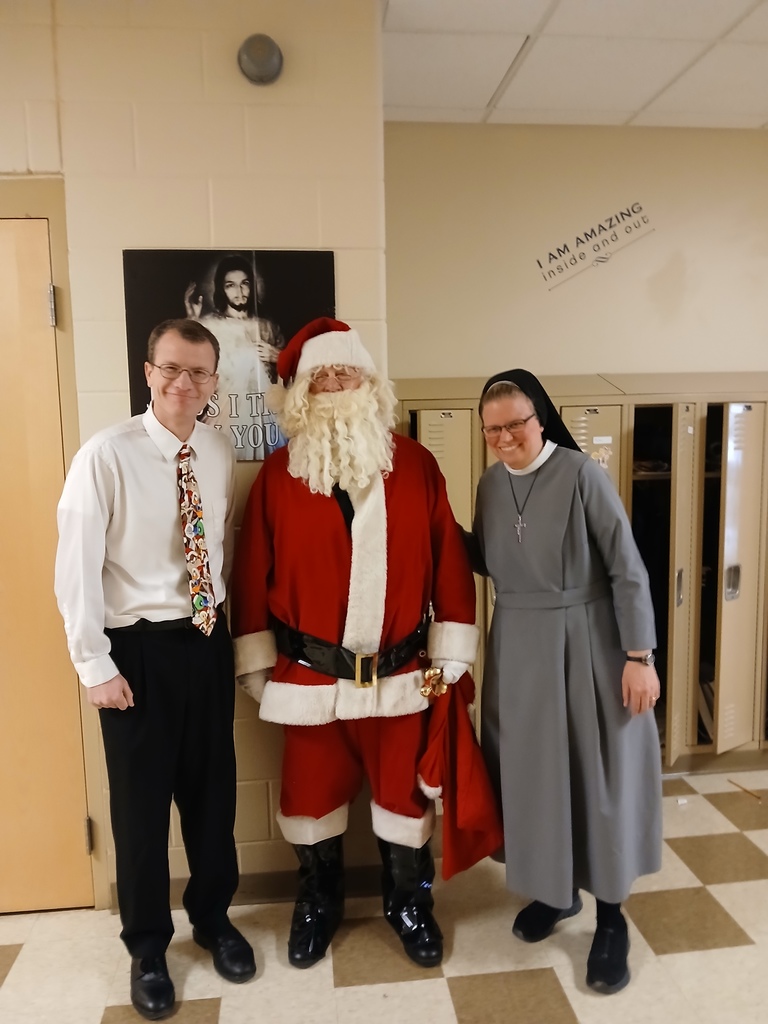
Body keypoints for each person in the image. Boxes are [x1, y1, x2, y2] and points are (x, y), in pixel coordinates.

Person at [230, 317, 480, 970]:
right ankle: (319, 901)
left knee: (405, 802)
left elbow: (449, 561)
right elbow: (252, 574)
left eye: (348, 370)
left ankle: (409, 903)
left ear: (371, 384)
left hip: (402, 676)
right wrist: (258, 666)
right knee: (310, 802)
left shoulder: (417, 465)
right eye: (322, 375)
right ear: (302, 392)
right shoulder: (278, 477)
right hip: (309, 678)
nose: (337, 381)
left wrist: (451, 656)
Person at [55, 318, 256, 1021]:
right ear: (148, 372)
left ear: (214, 381)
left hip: (204, 639)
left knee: (213, 795)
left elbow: (218, 546)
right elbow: (75, 568)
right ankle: (146, 947)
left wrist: (222, 632)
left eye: (199, 372)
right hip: (135, 652)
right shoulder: (105, 455)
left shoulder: (219, 449)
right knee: (140, 810)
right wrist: (94, 665)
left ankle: (213, 918)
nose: (184, 383)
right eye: (171, 368)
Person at [469, 369, 662, 995]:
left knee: (594, 778)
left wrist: (640, 656)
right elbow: (487, 557)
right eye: (492, 429)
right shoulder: (490, 484)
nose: (504, 439)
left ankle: (610, 918)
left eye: (515, 425)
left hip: (588, 643)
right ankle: (556, 893)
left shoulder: (583, 476)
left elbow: (628, 568)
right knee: (534, 777)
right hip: (519, 647)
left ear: (541, 419)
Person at [185, 254, 284, 460]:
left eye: (244, 284)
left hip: (267, 417)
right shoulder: (209, 325)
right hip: (227, 414)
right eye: (231, 285)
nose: (239, 292)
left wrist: (280, 358)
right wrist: (192, 320)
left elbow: (291, 378)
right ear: (222, 289)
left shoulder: (268, 326)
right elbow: (187, 362)